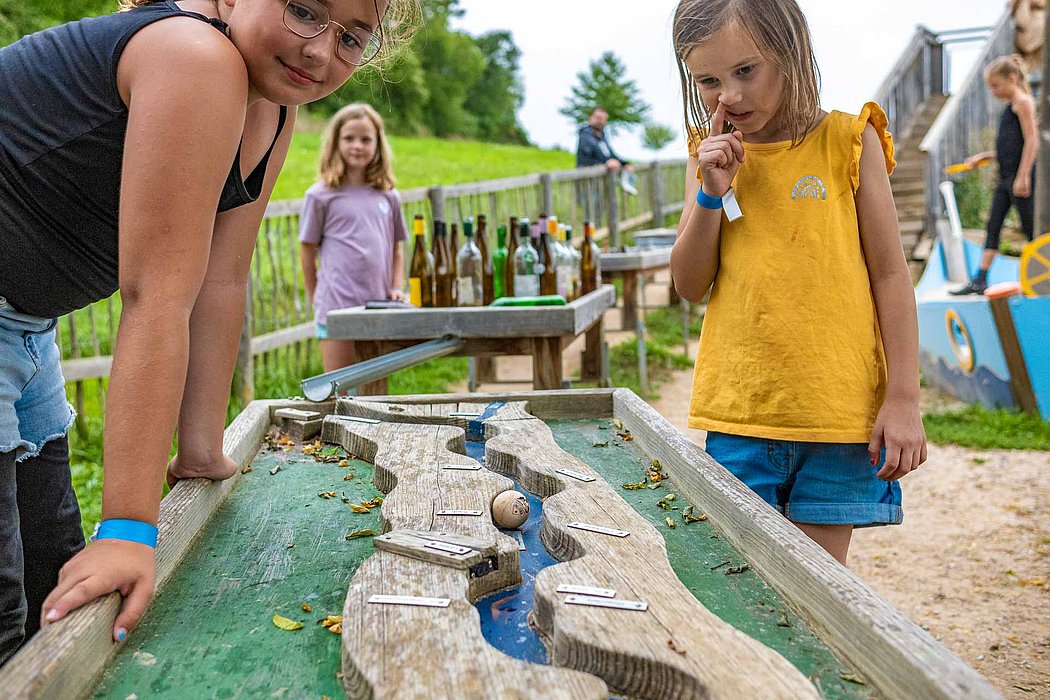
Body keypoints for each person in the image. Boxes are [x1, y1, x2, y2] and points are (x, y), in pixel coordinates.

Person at [0, 0, 417, 663]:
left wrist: (200, 450)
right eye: (303, 10)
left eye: (350, 38)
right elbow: (158, 295)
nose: (319, 50)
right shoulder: (193, 55)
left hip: (25, 329)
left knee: (51, 583)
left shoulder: (275, 108)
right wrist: (130, 525)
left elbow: (220, 281)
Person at [669, 0, 927, 565]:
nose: (728, 97)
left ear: (790, 55)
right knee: (742, 583)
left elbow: (890, 275)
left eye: (745, 71)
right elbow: (690, 283)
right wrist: (712, 190)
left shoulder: (848, 142)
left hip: (839, 420)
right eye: (708, 81)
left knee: (817, 596)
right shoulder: (709, 157)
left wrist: (904, 398)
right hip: (740, 414)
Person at [300, 102, 408, 394]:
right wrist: (316, 297)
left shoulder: (388, 196)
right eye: (349, 138)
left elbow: (397, 249)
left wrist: (396, 287)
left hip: (376, 306)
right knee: (338, 391)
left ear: (378, 144)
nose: (357, 146)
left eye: (365, 139)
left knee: (374, 393)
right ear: (336, 143)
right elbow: (307, 251)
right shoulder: (321, 196)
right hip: (336, 308)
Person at [950, 55, 1040, 296]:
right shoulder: (1010, 106)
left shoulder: (1023, 103)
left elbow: (1032, 142)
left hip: (1020, 180)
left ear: (1012, 79)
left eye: (995, 85)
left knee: (1031, 228)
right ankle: (980, 279)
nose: (992, 91)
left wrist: (1023, 176)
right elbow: (1011, 146)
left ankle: (1043, 274)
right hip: (1006, 178)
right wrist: (986, 157)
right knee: (993, 225)